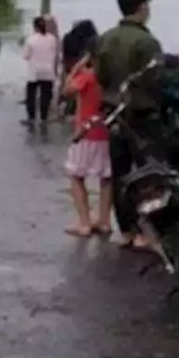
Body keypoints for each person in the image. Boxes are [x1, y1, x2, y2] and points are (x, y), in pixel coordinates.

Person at [95, 0, 164, 250]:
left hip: (114, 114)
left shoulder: (105, 39)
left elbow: (100, 77)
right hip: (143, 115)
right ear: (142, 6)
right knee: (149, 172)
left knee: (120, 172)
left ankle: (125, 230)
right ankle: (147, 232)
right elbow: (157, 81)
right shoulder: (147, 42)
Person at [62, 50, 113, 238]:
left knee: (76, 175)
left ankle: (84, 222)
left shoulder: (87, 77)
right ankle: (104, 220)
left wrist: (76, 68)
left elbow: (66, 91)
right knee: (106, 178)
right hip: (106, 133)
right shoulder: (111, 80)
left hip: (85, 133)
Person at [21, 16, 59, 126]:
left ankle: (31, 117)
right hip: (48, 71)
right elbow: (55, 53)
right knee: (45, 95)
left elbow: (25, 55)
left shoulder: (31, 39)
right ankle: (44, 118)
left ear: (34, 27)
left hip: (34, 72)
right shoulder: (52, 38)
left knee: (31, 95)